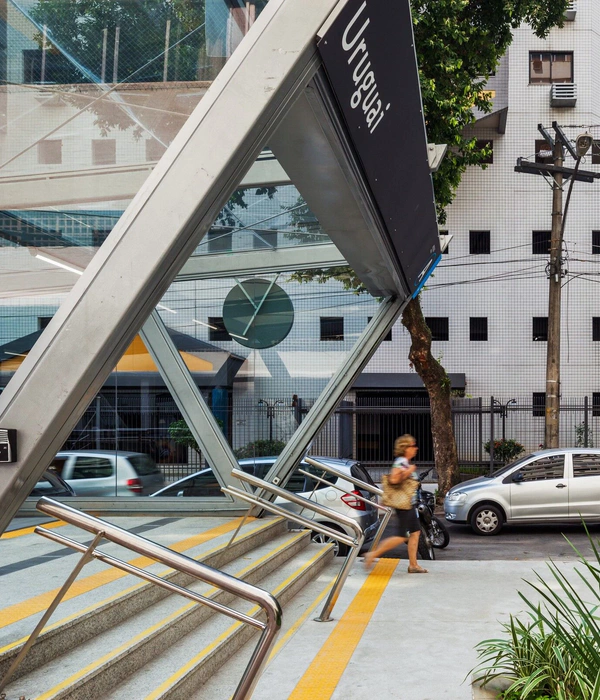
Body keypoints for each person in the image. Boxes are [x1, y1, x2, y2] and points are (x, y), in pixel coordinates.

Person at [364, 434, 428, 573]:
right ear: (405, 448)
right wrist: (408, 472)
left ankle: (413, 565)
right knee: (401, 536)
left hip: (409, 504)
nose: (415, 448)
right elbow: (393, 479)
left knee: (415, 533)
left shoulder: (404, 462)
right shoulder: (401, 462)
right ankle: (373, 554)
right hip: (404, 506)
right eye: (413, 445)